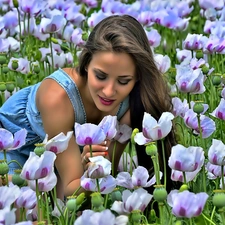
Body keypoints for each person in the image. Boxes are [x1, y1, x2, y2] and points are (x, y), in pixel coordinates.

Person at [0, 15, 176, 197]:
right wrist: (88, 177)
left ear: (137, 77)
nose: (109, 92)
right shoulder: (57, 97)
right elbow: (69, 190)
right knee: (19, 201)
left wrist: (95, 168)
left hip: (62, 169)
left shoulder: (130, 106)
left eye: (123, 81)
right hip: (14, 151)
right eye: (100, 76)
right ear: (86, 64)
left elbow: (98, 181)